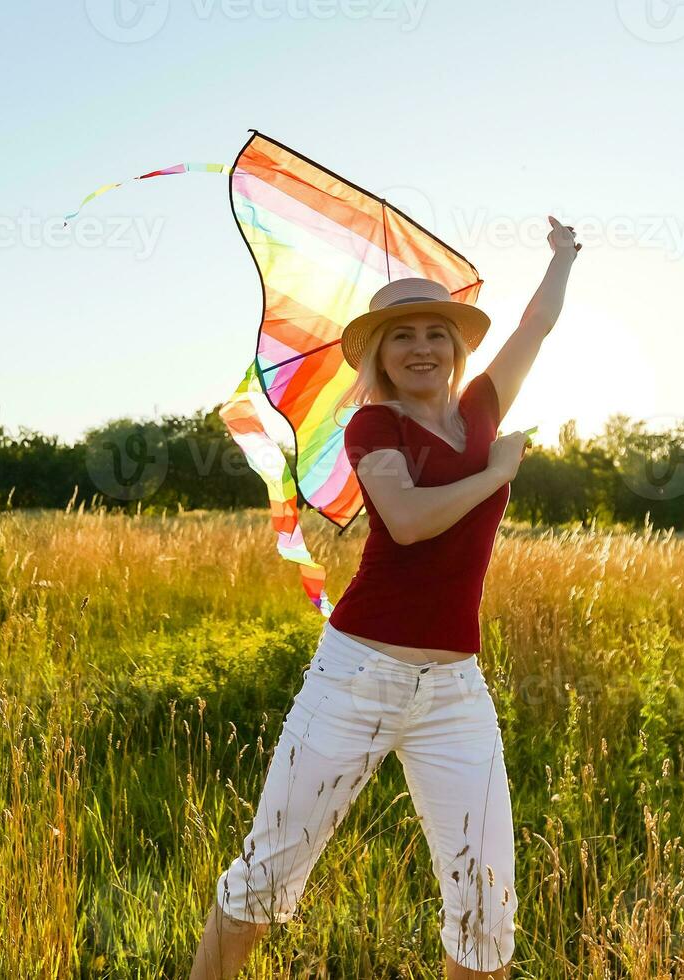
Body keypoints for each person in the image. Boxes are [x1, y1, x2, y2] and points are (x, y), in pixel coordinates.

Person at [188, 217, 580, 979]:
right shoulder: (374, 424)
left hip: (455, 693)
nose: (423, 347)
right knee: (269, 874)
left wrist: (563, 257)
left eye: (437, 332)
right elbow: (406, 522)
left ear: (457, 346)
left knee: (486, 900)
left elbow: (536, 325)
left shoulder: (481, 411)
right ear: (378, 353)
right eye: (402, 336)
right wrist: (497, 475)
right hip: (357, 676)